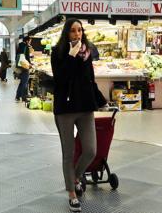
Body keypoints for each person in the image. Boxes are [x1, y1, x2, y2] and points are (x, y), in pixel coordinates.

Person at [51, 19, 107, 212]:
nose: (77, 34)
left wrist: (101, 101)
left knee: (91, 149)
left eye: (80, 30)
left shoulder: (87, 52)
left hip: (85, 107)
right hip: (65, 109)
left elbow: (90, 80)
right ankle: (72, 193)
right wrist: (70, 56)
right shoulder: (57, 53)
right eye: (73, 31)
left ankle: (75, 177)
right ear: (67, 33)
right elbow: (60, 80)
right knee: (69, 153)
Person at [15, 36, 32, 102]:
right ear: (27, 41)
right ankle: (24, 97)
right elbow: (27, 58)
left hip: (20, 66)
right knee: (25, 83)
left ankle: (18, 96)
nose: (30, 42)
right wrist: (30, 64)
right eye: (30, 41)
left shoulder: (19, 46)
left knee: (22, 82)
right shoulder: (26, 47)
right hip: (24, 67)